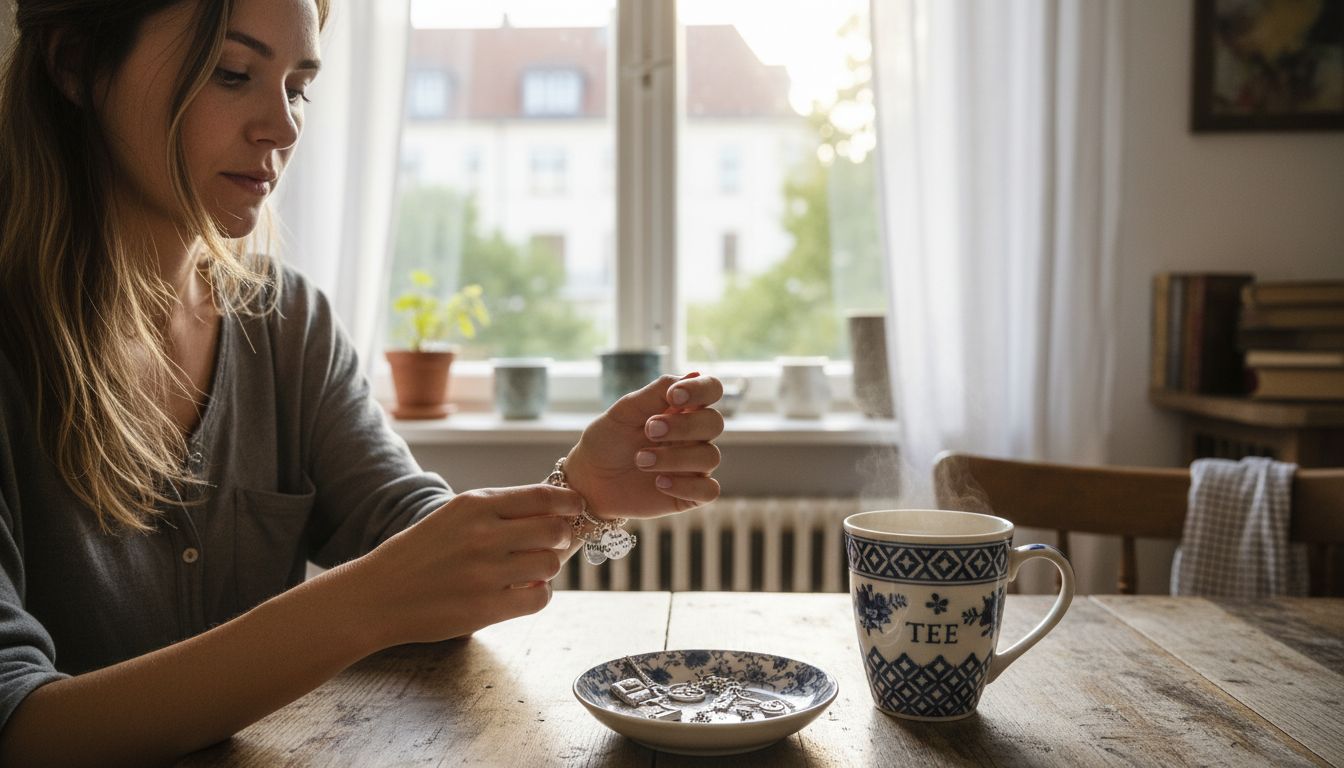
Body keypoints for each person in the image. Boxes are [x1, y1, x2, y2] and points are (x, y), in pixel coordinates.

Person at [0, 0, 724, 764]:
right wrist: (365, 604)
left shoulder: (286, 325)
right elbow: (20, 730)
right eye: (233, 72)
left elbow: (419, 555)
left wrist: (579, 494)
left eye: (298, 86)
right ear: (76, 63)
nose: (281, 128)